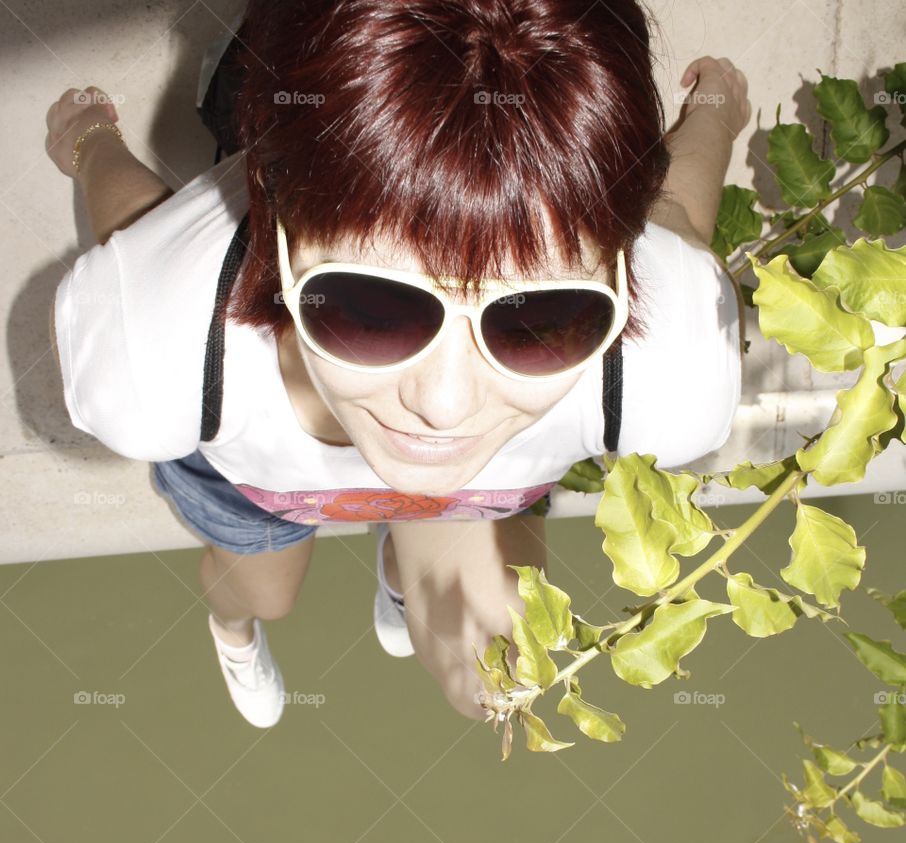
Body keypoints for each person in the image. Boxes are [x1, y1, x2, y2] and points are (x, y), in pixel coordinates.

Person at [45, 0, 750, 730]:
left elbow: (677, 230)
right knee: (262, 593)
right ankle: (238, 628)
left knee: (499, 646)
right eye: (370, 307)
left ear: (616, 269)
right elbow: (140, 237)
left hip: (421, 482)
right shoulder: (162, 356)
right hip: (252, 480)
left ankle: (399, 573)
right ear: (276, 224)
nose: (444, 407)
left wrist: (715, 115)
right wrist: (89, 143)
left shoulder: (669, 374)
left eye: (537, 319)